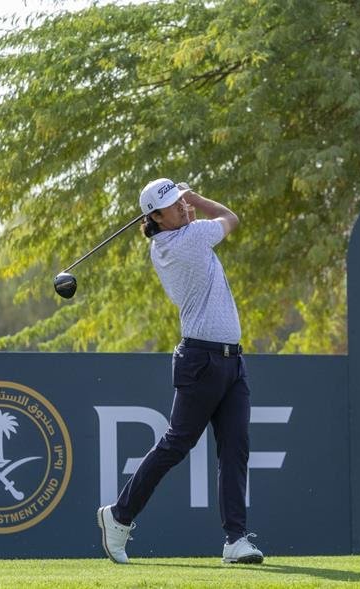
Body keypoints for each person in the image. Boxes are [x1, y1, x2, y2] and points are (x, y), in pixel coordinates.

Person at [97, 178, 263, 565]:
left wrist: (183, 199)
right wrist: (198, 196)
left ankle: (236, 540)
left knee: (235, 449)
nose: (184, 207)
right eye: (175, 205)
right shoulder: (184, 241)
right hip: (202, 361)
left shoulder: (179, 235)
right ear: (155, 217)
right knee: (176, 444)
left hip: (231, 361)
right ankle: (119, 515)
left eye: (182, 202)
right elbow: (230, 217)